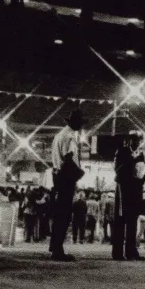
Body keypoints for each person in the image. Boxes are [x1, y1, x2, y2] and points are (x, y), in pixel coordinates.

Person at [48, 108, 84, 261]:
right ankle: (58, 249)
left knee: (59, 213)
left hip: (57, 174)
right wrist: (78, 173)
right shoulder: (69, 137)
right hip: (65, 176)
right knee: (64, 214)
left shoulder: (58, 136)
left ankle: (54, 246)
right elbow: (68, 158)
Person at [112, 130, 145, 261]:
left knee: (132, 220)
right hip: (123, 188)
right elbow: (118, 170)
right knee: (120, 220)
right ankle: (118, 253)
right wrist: (133, 160)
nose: (136, 142)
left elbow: (141, 171)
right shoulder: (122, 151)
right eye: (133, 139)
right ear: (129, 140)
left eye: (138, 140)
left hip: (135, 188)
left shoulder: (140, 154)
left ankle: (131, 251)